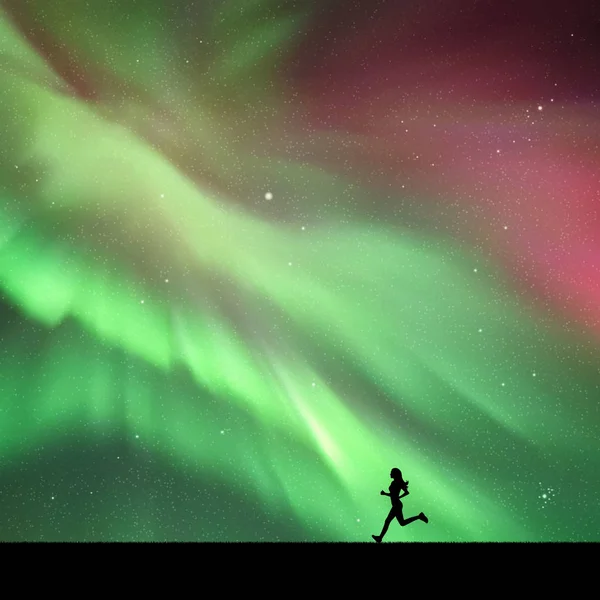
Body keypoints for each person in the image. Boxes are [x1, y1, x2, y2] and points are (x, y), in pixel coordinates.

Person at [372, 467, 428, 543]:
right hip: (396, 505)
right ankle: (419, 516)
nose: (390, 474)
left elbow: (406, 492)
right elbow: (393, 494)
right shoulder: (393, 482)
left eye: (391, 472)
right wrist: (385, 494)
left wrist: (398, 497)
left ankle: (380, 538)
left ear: (395, 474)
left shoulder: (399, 482)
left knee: (387, 521)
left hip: (397, 505)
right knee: (402, 523)